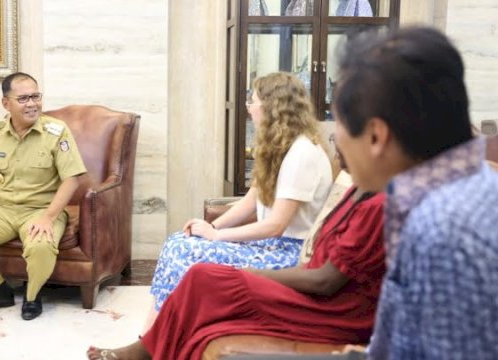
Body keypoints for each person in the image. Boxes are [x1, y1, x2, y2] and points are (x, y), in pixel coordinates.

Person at [87, 152, 386, 359]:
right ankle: (149, 345)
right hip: (314, 288)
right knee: (193, 264)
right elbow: (250, 202)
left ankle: (146, 350)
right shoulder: (360, 186)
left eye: (342, 132)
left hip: (333, 310)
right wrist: (212, 229)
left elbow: (325, 280)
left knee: (204, 276)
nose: (334, 144)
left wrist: (245, 273)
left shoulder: (376, 203)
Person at [331, 27, 498, 358]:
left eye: (337, 122)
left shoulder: (445, 231)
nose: (336, 139)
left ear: (377, 136)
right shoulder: (466, 187)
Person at [148, 72, 333, 321]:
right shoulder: (277, 148)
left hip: (289, 253)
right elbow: (249, 203)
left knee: (185, 251)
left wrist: (216, 236)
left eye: (252, 102)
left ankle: (161, 334)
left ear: (271, 107)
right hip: (271, 246)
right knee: (178, 241)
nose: (248, 109)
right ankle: (156, 333)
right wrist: (210, 227)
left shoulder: (302, 154)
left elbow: (275, 226)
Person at [0, 72, 86, 321]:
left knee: (41, 246)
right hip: (3, 210)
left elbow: (72, 178)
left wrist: (49, 218)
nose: (32, 104)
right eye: (23, 98)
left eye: (35, 96)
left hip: (42, 209)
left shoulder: (56, 132)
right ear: (6, 103)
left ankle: (32, 296)